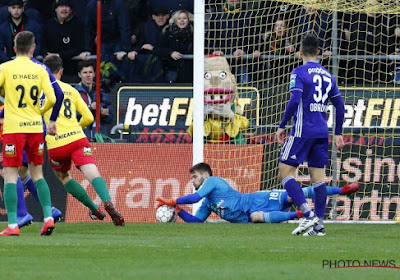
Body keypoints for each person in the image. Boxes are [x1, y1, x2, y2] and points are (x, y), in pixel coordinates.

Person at [42, 55, 125, 226]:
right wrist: (75, 127)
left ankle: (94, 209)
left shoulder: (40, 92)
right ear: (61, 71)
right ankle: (107, 201)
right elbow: (88, 117)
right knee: (92, 172)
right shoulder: (71, 90)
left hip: (56, 143)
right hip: (77, 138)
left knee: (64, 176)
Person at [276, 33, 345, 236]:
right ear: (318, 52)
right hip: (322, 131)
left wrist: (282, 125)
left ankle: (308, 215)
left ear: (300, 52)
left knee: (285, 172)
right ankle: (319, 226)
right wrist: (338, 133)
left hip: (302, 130)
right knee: (318, 179)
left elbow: (295, 100)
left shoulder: (298, 72)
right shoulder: (328, 75)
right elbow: (340, 108)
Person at [156, 162, 357, 223]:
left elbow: (194, 197)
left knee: (295, 193)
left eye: (194, 177)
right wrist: (178, 209)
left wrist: (174, 199)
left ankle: (342, 189)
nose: (192, 181)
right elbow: (197, 222)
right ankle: (297, 214)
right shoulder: (209, 203)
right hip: (250, 213)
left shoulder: (213, 181)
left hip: (257, 198)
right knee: (256, 217)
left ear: (205, 175)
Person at [0, 31, 59, 236]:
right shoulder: (40, 69)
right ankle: (48, 218)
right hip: (35, 128)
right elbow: (51, 98)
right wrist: (38, 112)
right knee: (37, 173)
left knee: (10, 174)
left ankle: (13, 224)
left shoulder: (5, 68)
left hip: (14, 128)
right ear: (33, 49)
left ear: (15, 48)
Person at [43, 0, 84, 82]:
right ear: (56, 9)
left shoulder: (77, 24)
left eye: (67, 6)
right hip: (52, 72)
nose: (64, 9)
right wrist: (46, 54)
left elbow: (79, 48)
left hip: (71, 72)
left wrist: (59, 55)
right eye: (61, 6)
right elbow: (43, 45)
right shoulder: (48, 25)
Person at [75, 60, 113, 139]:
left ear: (94, 74)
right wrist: (90, 108)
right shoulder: (74, 92)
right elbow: (72, 116)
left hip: (100, 137)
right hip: (81, 137)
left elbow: (110, 119)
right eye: (85, 73)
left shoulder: (102, 91)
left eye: (90, 72)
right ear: (79, 74)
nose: (88, 75)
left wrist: (104, 114)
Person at [153, 10, 194, 83]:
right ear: (175, 21)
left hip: (190, 72)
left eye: (184, 18)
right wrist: (170, 53)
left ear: (188, 20)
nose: (182, 21)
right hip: (172, 72)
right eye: (179, 18)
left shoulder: (195, 34)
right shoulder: (168, 33)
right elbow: (157, 49)